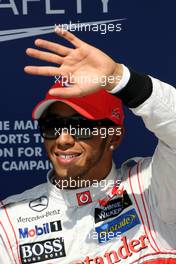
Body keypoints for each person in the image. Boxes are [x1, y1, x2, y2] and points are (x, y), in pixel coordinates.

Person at [0, 28, 176, 264]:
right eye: (52, 126)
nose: (62, 140)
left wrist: (118, 77)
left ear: (113, 136)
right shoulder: (9, 222)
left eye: (79, 126)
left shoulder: (152, 187)